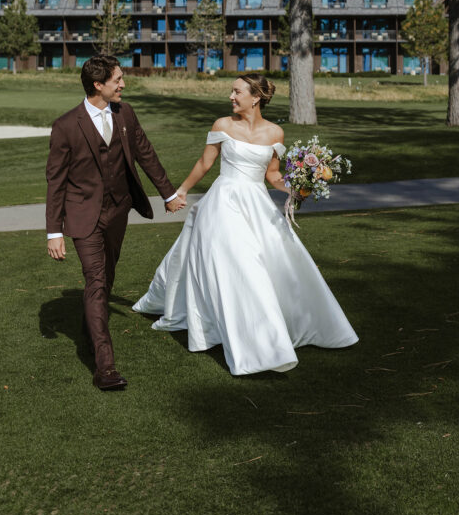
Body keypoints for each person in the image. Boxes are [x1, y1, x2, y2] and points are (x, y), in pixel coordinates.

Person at [133, 73, 358, 375]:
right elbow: (205, 164)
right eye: (231, 91)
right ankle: (249, 339)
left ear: (255, 97)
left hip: (257, 204)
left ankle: (272, 331)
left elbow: (273, 175)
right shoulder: (222, 126)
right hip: (223, 202)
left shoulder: (275, 133)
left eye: (236, 92)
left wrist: (298, 187)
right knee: (241, 263)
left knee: (274, 263)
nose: (231, 96)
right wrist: (181, 192)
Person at [46, 54, 184, 390]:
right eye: (118, 79)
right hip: (83, 217)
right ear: (98, 85)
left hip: (119, 210)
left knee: (106, 275)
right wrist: (54, 232)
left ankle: (89, 322)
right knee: (95, 281)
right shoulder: (66, 125)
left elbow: (145, 153)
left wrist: (167, 194)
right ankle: (105, 368)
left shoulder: (126, 114)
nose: (123, 84)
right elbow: (56, 181)